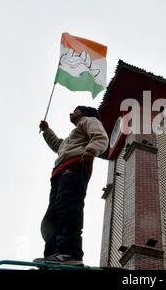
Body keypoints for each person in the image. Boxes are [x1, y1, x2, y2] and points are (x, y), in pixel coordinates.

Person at [34, 106, 109, 266]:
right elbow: (58, 145)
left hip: (75, 167)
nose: (71, 112)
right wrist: (47, 130)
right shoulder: (71, 138)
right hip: (58, 174)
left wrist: (90, 152)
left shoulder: (89, 121)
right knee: (54, 214)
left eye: (75, 110)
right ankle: (52, 255)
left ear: (84, 112)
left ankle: (69, 253)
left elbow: (101, 137)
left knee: (68, 208)